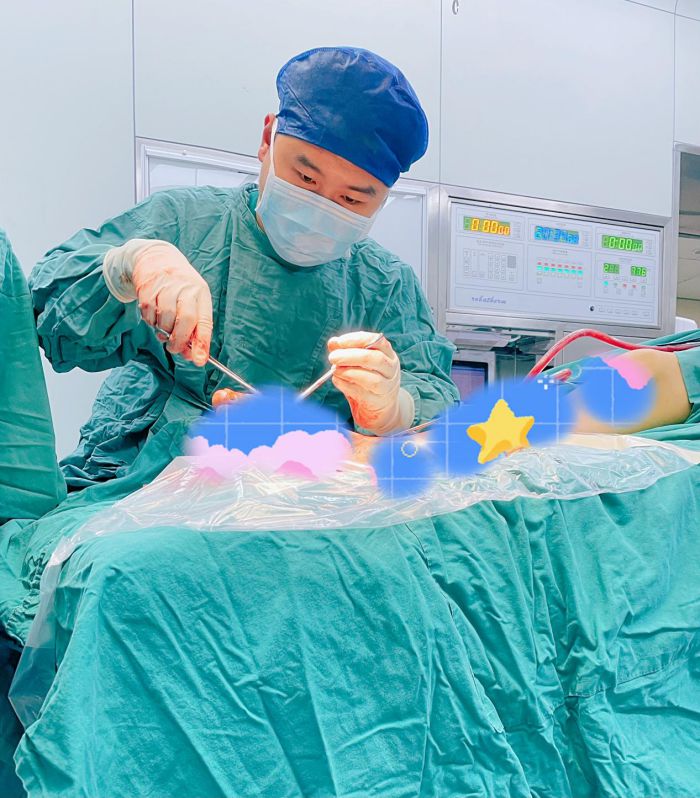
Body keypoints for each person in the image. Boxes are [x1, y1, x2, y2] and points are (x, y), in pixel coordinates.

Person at [30, 47, 459, 487]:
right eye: (305, 178)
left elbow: (437, 415)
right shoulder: (182, 224)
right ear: (268, 139)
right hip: (146, 479)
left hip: (312, 499)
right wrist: (126, 268)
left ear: (382, 200)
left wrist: (394, 410)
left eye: (351, 199)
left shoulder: (386, 285)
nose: (318, 207)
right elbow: (49, 320)